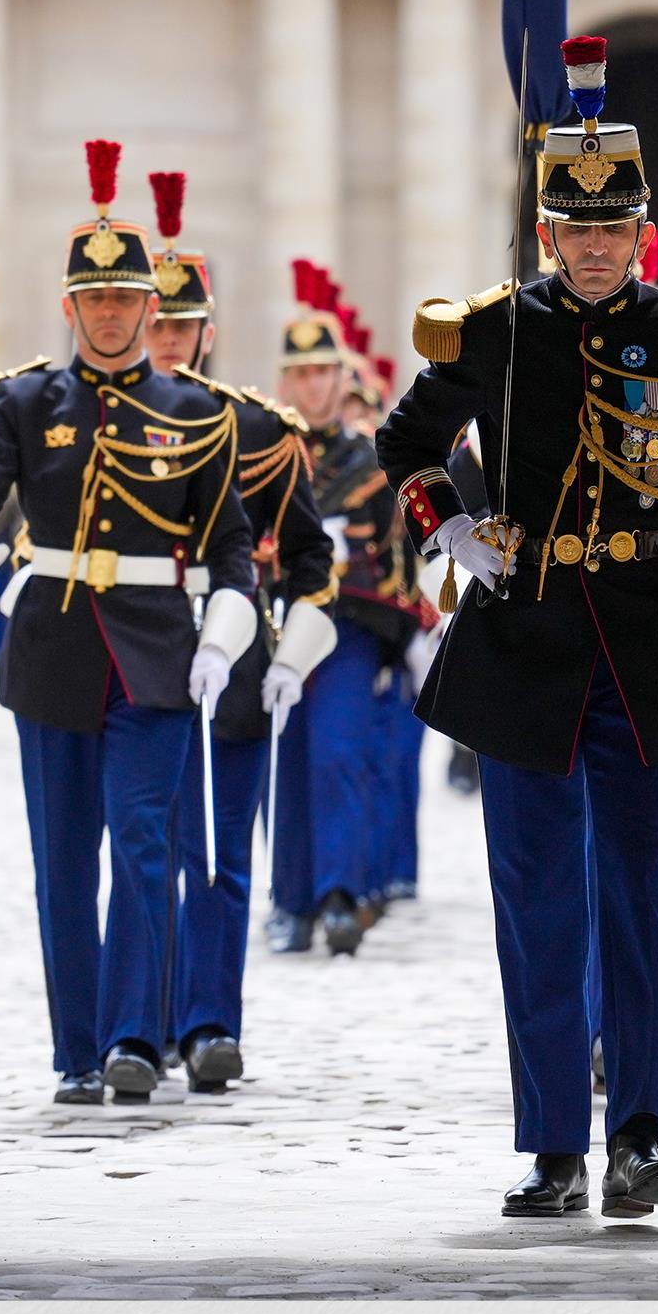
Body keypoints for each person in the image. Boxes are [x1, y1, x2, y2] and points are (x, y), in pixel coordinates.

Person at [381, 34, 658, 1219]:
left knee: (642, 898)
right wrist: (451, 527)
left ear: (638, 232)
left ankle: (639, 1139)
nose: (594, 249)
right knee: (538, 898)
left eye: (613, 231)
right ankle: (552, 1144)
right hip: (524, 639)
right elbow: (405, 443)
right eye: (574, 231)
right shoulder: (493, 334)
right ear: (548, 233)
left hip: (649, 644)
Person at [0, 141, 265, 1106]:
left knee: (146, 846)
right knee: (63, 860)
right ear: (69, 309)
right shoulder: (26, 401)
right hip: (54, 651)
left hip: (155, 652)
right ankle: (75, 1049)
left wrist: (224, 639)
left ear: (153, 309)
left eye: (126, 301)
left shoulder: (195, 413)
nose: (110, 315)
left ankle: (134, 1041)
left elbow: (231, 547)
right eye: (93, 301)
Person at [137, 173, 334, 1093]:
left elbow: (308, 556)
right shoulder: (102, 426)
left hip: (240, 661)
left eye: (182, 327)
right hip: (136, 660)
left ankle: (212, 1024)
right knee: (151, 854)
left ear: (207, 333)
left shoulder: (258, 431)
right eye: (155, 325)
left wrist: (292, 651)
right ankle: (149, 1020)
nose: (167, 340)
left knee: (219, 854)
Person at [272, 269, 422, 956]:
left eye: (323, 372)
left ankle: (339, 893)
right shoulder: (266, 453)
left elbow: (395, 555)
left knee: (338, 756)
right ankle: (291, 899)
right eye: (300, 374)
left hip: (348, 631)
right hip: (278, 629)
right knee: (287, 760)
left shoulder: (369, 460)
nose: (312, 386)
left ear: (341, 378)